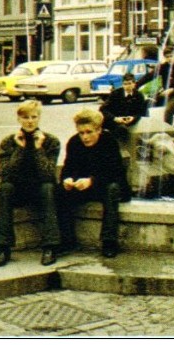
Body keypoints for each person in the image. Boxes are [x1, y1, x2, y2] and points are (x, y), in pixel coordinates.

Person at [0, 99, 60, 267]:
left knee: (48, 188)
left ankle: (50, 246)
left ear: (39, 118)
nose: (30, 121)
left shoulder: (51, 141)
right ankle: (2, 247)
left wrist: (38, 149)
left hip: (39, 189)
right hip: (18, 189)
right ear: (19, 119)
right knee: (5, 189)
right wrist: (20, 149)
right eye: (25, 117)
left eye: (33, 117)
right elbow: (6, 174)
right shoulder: (8, 142)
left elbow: (48, 174)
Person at [56, 109, 131, 258]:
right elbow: (67, 168)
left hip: (106, 185)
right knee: (58, 191)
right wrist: (67, 180)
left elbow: (115, 172)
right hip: (84, 186)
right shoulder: (74, 142)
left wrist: (92, 181)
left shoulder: (109, 141)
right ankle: (67, 239)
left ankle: (109, 241)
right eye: (81, 133)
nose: (85, 137)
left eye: (89, 132)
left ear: (99, 130)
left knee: (112, 189)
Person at [140, 45, 174, 126]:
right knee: (146, 104)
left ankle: (167, 133)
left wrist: (172, 90)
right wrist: (136, 85)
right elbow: (150, 76)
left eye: (171, 56)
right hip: (167, 95)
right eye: (167, 57)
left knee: (168, 110)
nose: (169, 59)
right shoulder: (164, 67)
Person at [100, 71, 147, 146]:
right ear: (122, 84)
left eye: (129, 83)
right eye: (125, 84)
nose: (127, 86)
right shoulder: (115, 94)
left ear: (134, 84)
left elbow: (142, 112)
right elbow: (103, 109)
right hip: (115, 122)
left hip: (131, 122)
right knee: (119, 131)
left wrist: (133, 118)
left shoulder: (139, 95)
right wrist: (114, 118)